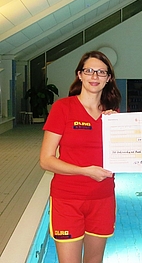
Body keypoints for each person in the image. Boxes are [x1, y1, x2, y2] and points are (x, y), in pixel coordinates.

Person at [39, 51, 121, 263]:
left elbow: (127, 155)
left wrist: (119, 128)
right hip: (67, 199)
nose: (95, 76)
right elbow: (46, 160)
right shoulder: (63, 108)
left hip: (102, 199)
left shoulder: (113, 116)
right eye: (89, 71)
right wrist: (85, 171)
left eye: (101, 72)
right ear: (80, 75)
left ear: (108, 78)